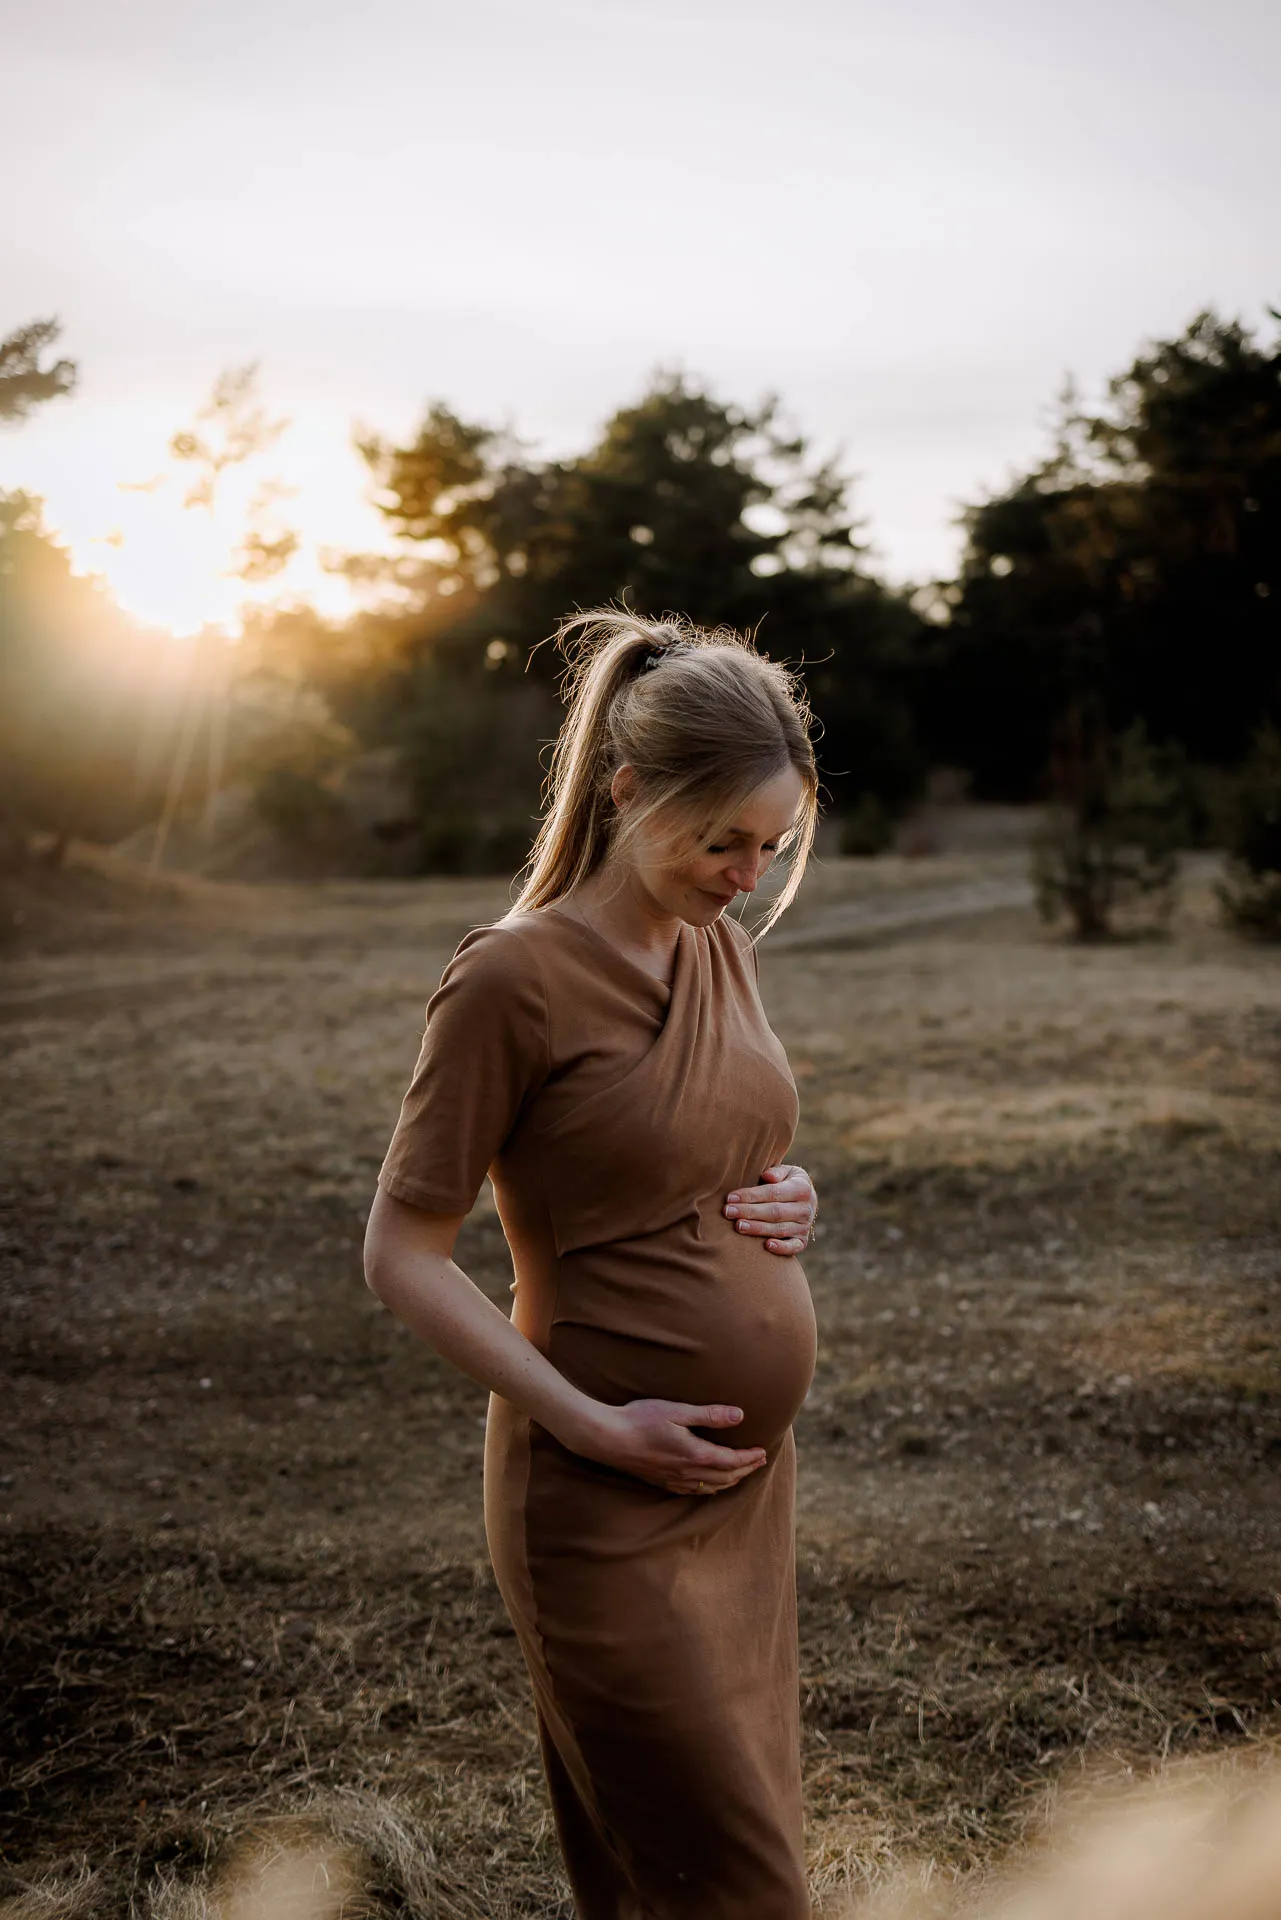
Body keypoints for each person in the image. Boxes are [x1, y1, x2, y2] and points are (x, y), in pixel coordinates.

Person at [364, 609, 822, 1919]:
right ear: (627, 792)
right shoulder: (513, 980)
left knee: (677, 1875)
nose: (747, 874)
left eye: (770, 845)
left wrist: (792, 1192)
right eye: (720, 839)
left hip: (740, 1496)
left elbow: (707, 1140)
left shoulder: (720, 951)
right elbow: (401, 1251)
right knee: (736, 1888)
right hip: (595, 1494)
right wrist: (593, 1426)